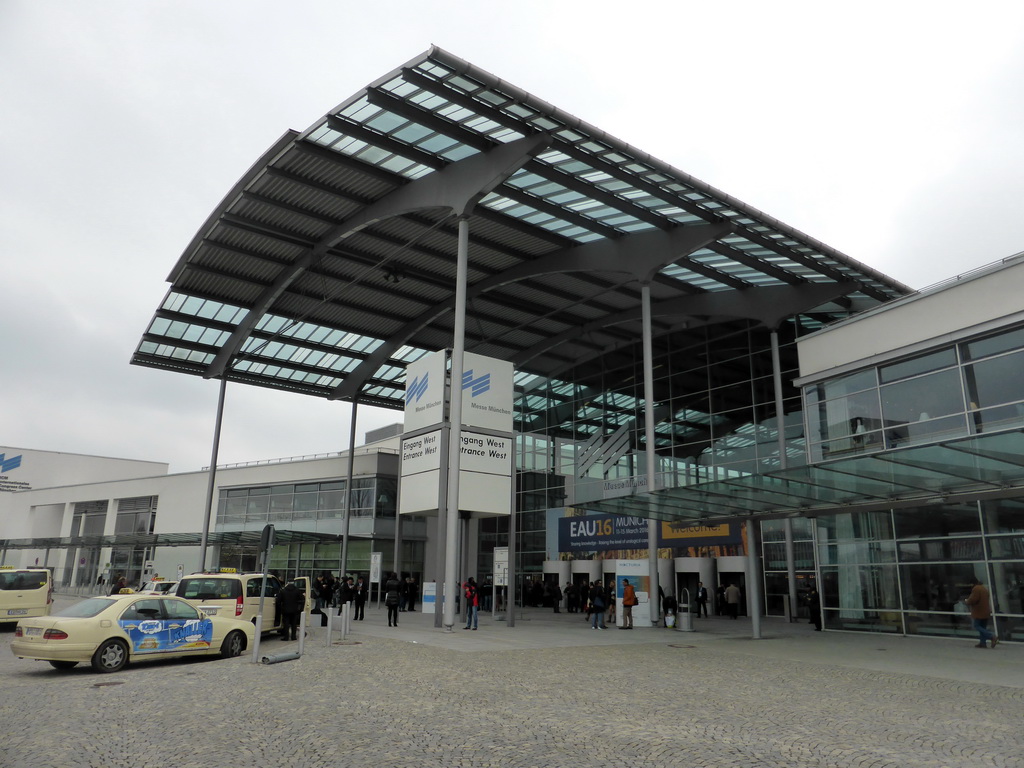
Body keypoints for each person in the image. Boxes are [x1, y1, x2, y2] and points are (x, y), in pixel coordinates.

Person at [964, 575, 997, 648]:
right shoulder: (983, 588)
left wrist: (967, 601)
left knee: (977, 626)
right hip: (986, 611)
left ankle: (991, 636)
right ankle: (983, 643)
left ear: (972, 583)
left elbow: (973, 599)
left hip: (979, 611)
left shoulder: (976, 589)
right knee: (983, 627)